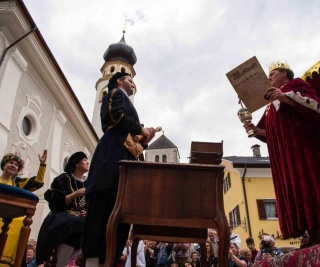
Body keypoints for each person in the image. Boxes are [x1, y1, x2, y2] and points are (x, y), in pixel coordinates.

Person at [82, 72, 156, 266]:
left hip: (121, 155)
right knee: (103, 207)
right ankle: (94, 260)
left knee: (118, 209)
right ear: (119, 81)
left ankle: (108, 258)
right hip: (111, 155)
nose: (133, 84)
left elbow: (132, 143)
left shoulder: (124, 98)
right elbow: (116, 115)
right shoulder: (116, 92)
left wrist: (145, 139)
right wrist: (141, 130)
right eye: (130, 80)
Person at [244, 61, 320, 244]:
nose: (269, 77)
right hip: (284, 158)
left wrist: (286, 97)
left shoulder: (297, 84)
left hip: (302, 150)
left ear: (285, 73)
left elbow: (315, 106)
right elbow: (272, 133)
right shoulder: (270, 103)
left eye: (272, 73)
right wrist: (256, 130)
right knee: (296, 193)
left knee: (309, 189)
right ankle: (311, 235)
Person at [36, 152, 89, 267]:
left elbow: (91, 203)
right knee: (74, 224)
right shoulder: (62, 179)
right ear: (76, 164)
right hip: (60, 217)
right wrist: (74, 194)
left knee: (92, 226)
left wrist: (87, 211)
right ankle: (57, 262)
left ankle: (62, 263)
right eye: (85, 160)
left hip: (79, 219)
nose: (88, 162)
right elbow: (55, 204)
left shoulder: (89, 183)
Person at [0, 150, 47, 266]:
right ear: (4, 165)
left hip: (8, 217)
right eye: (11, 163)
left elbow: (38, 182)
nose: (13, 166)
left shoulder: (18, 184)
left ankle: (7, 261)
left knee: (20, 221)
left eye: (16, 165)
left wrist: (42, 165)